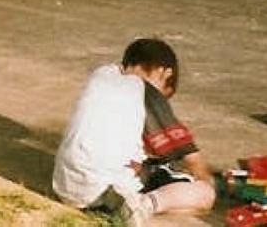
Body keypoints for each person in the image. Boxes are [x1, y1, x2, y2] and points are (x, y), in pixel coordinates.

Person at [52, 38, 216, 224]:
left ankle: (126, 201)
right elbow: (192, 160)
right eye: (165, 93)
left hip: (66, 189)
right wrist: (209, 181)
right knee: (204, 194)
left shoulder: (101, 74)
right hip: (105, 192)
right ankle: (141, 206)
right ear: (164, 72)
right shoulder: (145, 90)